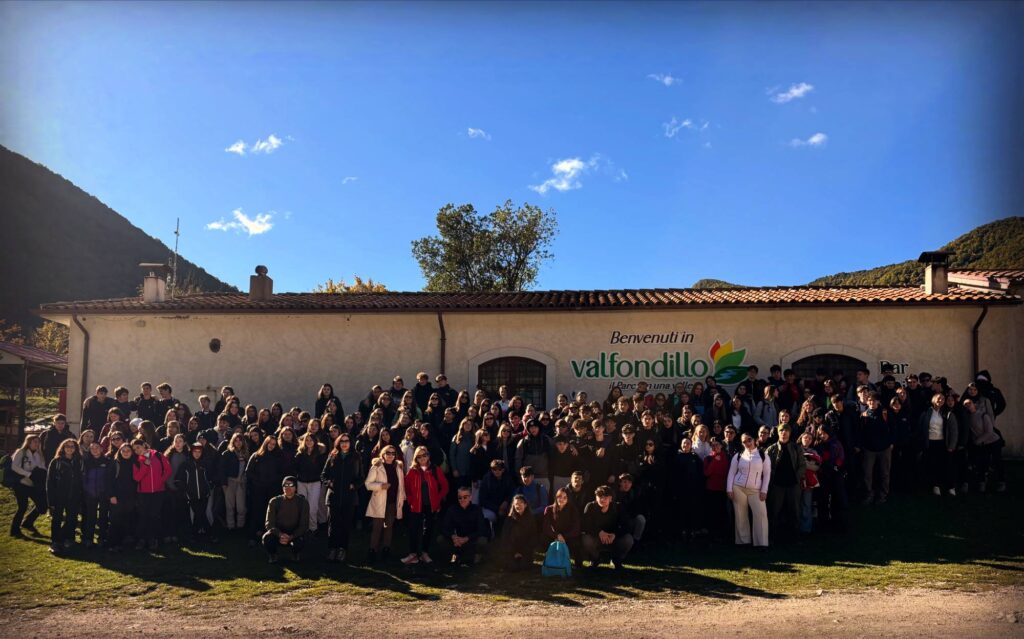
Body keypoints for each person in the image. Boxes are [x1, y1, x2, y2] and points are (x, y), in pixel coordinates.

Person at [402, 445, 449, 565]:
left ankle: (424, 553)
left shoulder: (435, 469)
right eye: (419, 456)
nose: (422, 458)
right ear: (416, 458)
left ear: (428, 456)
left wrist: (437, 499)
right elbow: (406, 488)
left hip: (431, 506)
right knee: (413, 529)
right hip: (416, 506)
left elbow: (444, 486)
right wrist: (411, 500)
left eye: (425, 455)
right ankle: (413, 554)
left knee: (428, 530)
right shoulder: (412, 471)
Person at [322, 433, 363, 562]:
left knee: (345, 525)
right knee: (332, 525)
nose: (344, 443)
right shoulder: (333, 456)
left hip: (348, 497)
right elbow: (324, 475)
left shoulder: (356, 457)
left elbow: (361, 478)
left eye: (347, 441)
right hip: (333, 496)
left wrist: (353, 486)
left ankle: (342, 549)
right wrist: (329, 483)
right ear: (338, 443)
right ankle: (332, 549)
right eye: (342, 441)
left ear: (350, 443)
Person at [726, 433, 771, 549]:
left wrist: (764, 490)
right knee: (740, 515)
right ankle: (743, 542)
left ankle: (761, 543)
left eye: (749, 440)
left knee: (761, 515)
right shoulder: (738, 455)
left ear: (755, 440)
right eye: (744, 441)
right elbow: (731, 472)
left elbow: (766, 474)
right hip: (738, 488)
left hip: (756, 490)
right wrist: (729, 489)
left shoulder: (763, 455)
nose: (747, 443)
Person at [765, 423, 806, 544]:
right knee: (774, 512)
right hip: (777, 486)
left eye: (786, 431)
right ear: (778, 433)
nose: (784, 433)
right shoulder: (771, 449)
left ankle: (794, 538)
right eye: (781, 431)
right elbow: (767, 468)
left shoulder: (796, 448)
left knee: (794, 511)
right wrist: (773, 479)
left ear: (790, 433)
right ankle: (772, 538)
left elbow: (802, 465)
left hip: (793, 486)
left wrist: (796, 479)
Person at [365, 445, 405, 563]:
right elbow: (368, 484)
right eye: (388, 453)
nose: (390, 456)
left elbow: (401, 485)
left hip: (393, 502)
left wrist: (402, 498)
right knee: (377, 527)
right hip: (380, 501)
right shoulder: (377, 466)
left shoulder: (398, 467)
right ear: (383, 454)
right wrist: (381, 486)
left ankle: (386, 549)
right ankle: (372, 550)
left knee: (389, 527)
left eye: (393, 453)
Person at [132, 437, 172, 551]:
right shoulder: (136, 460)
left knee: (154, 516)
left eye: (138, 447)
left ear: (144, 445)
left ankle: (153, 539)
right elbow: (137, 477)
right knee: (143, 516)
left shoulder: (158, 455)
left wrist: (160, 481)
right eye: (134, 449)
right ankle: (142, 539)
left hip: (158, 492)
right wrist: (145, 465)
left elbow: (168, 470)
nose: (137, 450)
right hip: (143, 493)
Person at [581, 485, 633, 570]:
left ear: (610, 498)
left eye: (605, 497)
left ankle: (616, 560)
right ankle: (595, 559)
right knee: (585, 539)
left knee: (628, 539)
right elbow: (585, 525)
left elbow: (627, 525)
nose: (602, 499)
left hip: (613, 539)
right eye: (599, 497)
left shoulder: (618, 507)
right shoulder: (590, 506)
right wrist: (599, 532)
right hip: (597, 538)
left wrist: (615, 534)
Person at [46, 438, 83, 554]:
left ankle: (69, 538)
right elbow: (49, 482)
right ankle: (55, 542)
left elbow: (82, 479)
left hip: (74, 496)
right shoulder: (56, 461)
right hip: (59, 496)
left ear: (76, 448)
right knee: (56, 519)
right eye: (67, 446)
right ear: (62, 448)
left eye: (72, 446)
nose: (70, 448)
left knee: (72, 518)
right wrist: (51, 501)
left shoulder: (79, 461)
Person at [246, 436, 284, 544]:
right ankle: (253, 536)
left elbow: (281, 472)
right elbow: (248, 472)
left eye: (274, 444)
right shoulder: (256, 456)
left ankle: (270, 535)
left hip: (273, 489)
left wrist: (274, 481)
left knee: (271, 512)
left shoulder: (278, 457)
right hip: (258, 489)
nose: (271, 446)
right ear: (265, 443)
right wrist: (257, 481)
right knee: (256, 511)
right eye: (269, 443)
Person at [858, 392, 895, 504]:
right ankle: (869, 494)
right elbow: (861, 432)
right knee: (867, 474)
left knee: (884, 473)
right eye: (869, 400)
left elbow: (893, 429)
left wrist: (891, 443)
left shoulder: (885, 413)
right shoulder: (864, 415)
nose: (871, 402)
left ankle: (883, 495)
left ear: (878, 401)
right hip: (869, 449)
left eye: (874, 400)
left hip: (884, 448)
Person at [918, 393, 958, 497]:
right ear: (933, 399)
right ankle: (935, 486)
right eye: (939, 398)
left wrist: (951, 446)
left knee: (946, 465)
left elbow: (954, 431)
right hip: (930, 443)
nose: (941, 400)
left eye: (943, 399)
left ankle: (950, 487)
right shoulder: (927, 412)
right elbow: (921, 429)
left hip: (943, 443)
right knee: (932, 465)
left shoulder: (947, 413)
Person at [439, 486, 490, 567]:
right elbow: (445, 527)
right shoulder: (452, 509)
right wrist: (453, 537)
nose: (462, 500)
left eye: (465, 497)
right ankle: (450, 557)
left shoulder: (477, 509)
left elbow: (482, 529)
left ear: (470, 497)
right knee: (441, 539)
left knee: (482, 540)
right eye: (460, 497)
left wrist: (467, 538)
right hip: (457, 541)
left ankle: (476, 559)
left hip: (471, 540)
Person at [263, 476, 310, 563]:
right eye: (285, 485)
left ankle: (295, 554)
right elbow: (269, 523)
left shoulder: (303, 502)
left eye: (291, 485)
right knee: (267, 538)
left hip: (294, 533)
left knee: (302, 539)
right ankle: (273, 555)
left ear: (295, 487)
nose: (287, 487)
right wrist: (280, 534)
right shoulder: (274, 501)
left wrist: (292, 536)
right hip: (278, 533)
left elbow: (304, 525)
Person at [963, 397, 1005, 493]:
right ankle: (982, 483)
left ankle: (1001, 482)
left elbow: (989, 431)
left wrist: (978, 441)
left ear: (974, 404)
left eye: (969, 403)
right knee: (982, 463)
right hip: (982, 444)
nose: (968, 405)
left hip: (993, 442)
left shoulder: (983, 415)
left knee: (997, 461)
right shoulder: (967, 417)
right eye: (965, 404)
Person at [9, 434, 47, 538]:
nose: (37, 444)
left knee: (43, 505)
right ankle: (14, 531)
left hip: (33, 484)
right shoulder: (21, 452)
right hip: (21, 483)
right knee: (22, 507)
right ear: (28, 442)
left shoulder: (39, 454)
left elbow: (42, 467)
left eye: (38, 442)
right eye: (34, 442)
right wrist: (28, 474)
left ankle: (28, 522)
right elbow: (14, 466)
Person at [176, 442, 214, 542]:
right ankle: (210, 534)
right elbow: (179, 480)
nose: (197, 454)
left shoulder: (206, 463)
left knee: (200, 514)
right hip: (191, 495)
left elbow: (211, 477)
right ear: (191, 452)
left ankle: (194, 535)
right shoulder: (186, 464)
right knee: (200, 513)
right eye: (195, 452)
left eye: (199, 452)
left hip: (204, 494)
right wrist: (185, 492)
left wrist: (208, 489)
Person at [80, 441, 114, 548]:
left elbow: (110, 478)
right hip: (90, 493)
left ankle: (102, 537)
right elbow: (83, 477)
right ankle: (88, 538)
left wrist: (108, 492)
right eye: (92, 448)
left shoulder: (107, 461)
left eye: (97, 447)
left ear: (101, 449)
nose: (94, 450)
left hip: (103, 493)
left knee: (103, 517)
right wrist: (85, 490)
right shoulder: (86, 461)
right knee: (90, 516)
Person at [294, 432, 327, 535]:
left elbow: (323, 469)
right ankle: (303, 528)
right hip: (301, 482)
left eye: (311, 440)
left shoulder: (320, 454)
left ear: (315, 441)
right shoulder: (299, 454)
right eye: (307, 440)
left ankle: (313, 528)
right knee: (303, 506)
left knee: (313, 507)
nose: (309, 442)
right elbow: (296, 468)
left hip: (315, 483)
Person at [220, 433, 249, 532]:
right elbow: (222, 470)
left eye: (240, 440)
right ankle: (231, 527)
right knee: (230, 506)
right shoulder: (227, 453)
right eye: (236, 440)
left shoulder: (246, 454)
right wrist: (224, 484)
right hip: (230, 482)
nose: (238, 443)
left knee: (241, 507)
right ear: (233, 441)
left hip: (242, 482)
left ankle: (240, 526)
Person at [500, 494, 537, 571]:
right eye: (516, 504)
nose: (518, 506)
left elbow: (533, 537)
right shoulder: (509, 520)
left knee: (524, 566)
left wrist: (523, 552)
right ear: (513, 506)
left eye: (521, 503)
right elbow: (505, 537)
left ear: (525, 505)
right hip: (511, 550)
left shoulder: (530, 519)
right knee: (512, 567)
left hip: (525, 550)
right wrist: (514, 552)